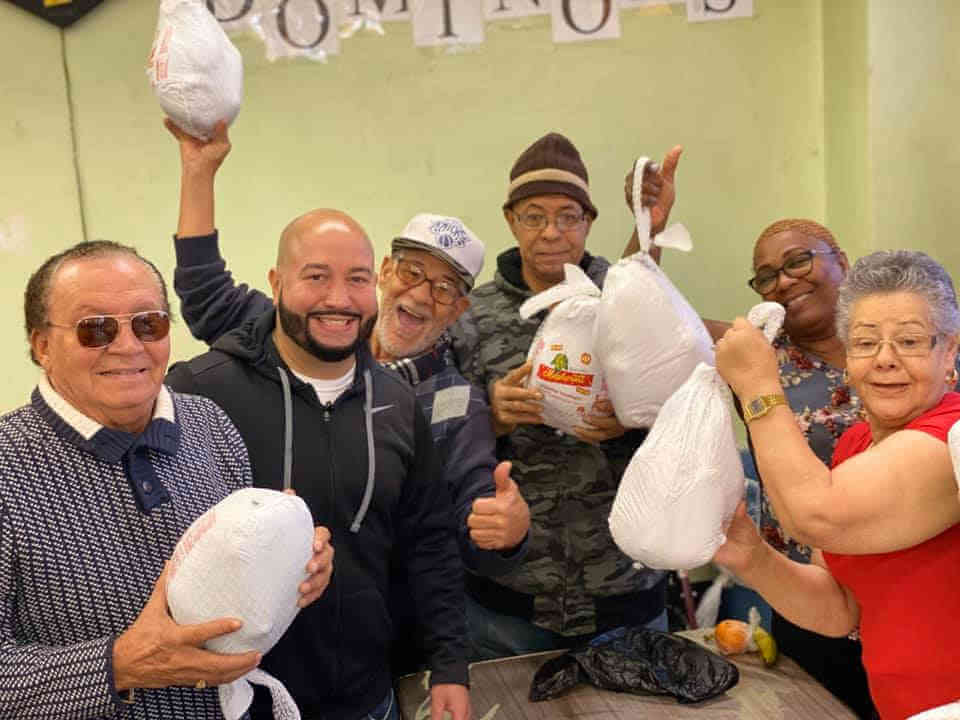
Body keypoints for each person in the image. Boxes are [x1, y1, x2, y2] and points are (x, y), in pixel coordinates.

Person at [165, 120, 530, 578]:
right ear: (384, 272)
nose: (419, 295)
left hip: (368, 618)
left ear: (457, 309)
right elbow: (204, 292)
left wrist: (506, 533)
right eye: (411, 272)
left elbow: (465, 527)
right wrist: (198, 173)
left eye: (442, 288)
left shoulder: (455, 406)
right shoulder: (296, 329)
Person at [0, 240, 332, 718]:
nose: (129, 346)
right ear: (42, 346)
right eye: (96, 329)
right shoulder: (8, 465)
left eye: (148, 323)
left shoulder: (210, 424)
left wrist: (299, 566)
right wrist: (119, 667)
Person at [164, 203, 471, 719]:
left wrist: (450, 667)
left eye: (356, 279)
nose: (338, 299)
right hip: (238, 700)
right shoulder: (200, 392)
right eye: (316, 277)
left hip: (368, 697)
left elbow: (429, 543)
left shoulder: (396, 402)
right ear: (277, 282)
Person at [449, 132, 682, 658]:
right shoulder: (470, 315)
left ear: (589, 222)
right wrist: (493, 418)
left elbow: (684, 402)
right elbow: (434, 432)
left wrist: (631, 418)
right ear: (510, 220)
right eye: (534, 216)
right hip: (509, 599)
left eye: (568, 216)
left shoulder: (629, 294)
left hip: (625, 584)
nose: (551, 232)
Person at [713, 249, 960, 720]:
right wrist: (753, 558)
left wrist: (757, 387)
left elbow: (816, 515)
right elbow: (840, 606)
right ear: (848, 356)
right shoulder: (855, 443)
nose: (885, 360)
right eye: (866, 343)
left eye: (909, 341)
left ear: (949, 350)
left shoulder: (951, 439)